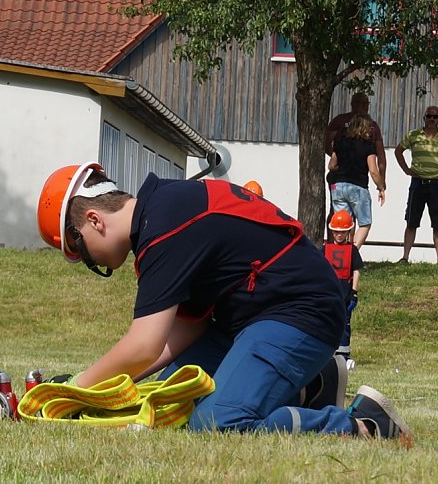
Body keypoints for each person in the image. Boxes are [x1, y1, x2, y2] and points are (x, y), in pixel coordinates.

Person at [36, 162, 412, 439]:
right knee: (175, 399)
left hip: (299, 313)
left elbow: (144, 343)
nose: (89, 263)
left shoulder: (163, 227)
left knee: (216, 423)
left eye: (80, 252)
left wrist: (74, 390)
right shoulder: (162, 213)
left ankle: (364, 425)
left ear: (93, 221)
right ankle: (310, 386)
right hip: (260, 319)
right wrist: (95, 390)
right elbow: (187, 328)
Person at [394, 106, 438, 264]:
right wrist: (406, 170)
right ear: (424, 118)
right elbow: (398, 151)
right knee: (411, 221)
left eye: (435, 117)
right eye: (429, 116)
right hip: (417, 183)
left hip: (437, 184)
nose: (432, 119)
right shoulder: (413, 135)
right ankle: (405, 257)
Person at [327, 113, 386, 248]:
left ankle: (341, 255)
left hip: (338, 186)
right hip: (358, 187)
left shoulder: (340, 142)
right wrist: (381, 187)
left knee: (345, 224)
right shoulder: (368, 146)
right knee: (365, 223)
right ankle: (353, 253)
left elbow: (331, 165)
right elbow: (373, 171)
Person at [323, 210, 362, 370]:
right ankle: (326, 352)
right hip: (329, 294)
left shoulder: (352, 250)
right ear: (332, 231)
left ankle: (343, 355)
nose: (339, 235)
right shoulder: (325, 249)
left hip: (345, 294)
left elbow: (356, 270)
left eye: (343, 232)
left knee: (344, 324)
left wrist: (354, 293)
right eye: (337, 232)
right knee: (327, 323)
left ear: (348, 232)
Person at [326, 92, 387, 184]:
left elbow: (381, 154)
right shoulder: (340, 120)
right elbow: (326, 143)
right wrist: (340, 160)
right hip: (339, 175)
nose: (364, 106)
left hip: (360, 175)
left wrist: (382, 179)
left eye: (366, 104)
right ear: (352, 104)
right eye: (360, 103)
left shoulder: (373, 126)